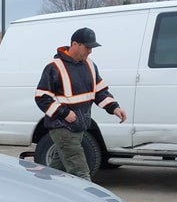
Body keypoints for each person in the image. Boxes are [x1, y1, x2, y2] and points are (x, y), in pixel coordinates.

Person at [34, 27, 127, 180]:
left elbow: (99, 91)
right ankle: (91, 201)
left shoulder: (90, 65)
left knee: (57, 169)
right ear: (74, 44)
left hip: (79, 127)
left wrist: (114, 107)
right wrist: (64, 113)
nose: (90, 51)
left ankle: (39, 190)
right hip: (62, 127)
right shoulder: (54, 67)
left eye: (92, 48)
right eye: (87, 47)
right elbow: (42, 97)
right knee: (81, 173)